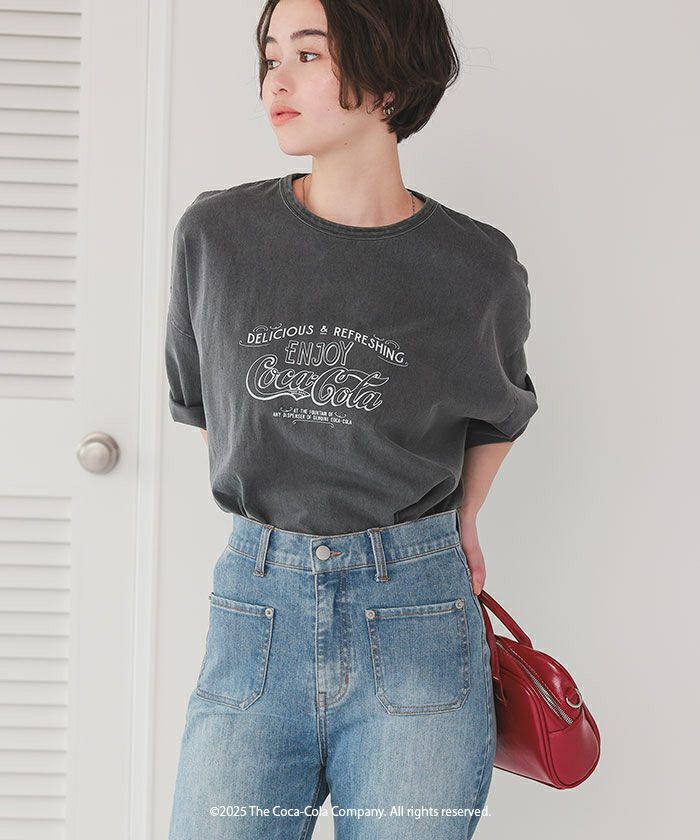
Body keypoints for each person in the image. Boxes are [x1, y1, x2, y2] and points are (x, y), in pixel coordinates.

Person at [165, 1, 538, 838]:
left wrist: (464, 517)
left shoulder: (475, 264)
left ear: (390, 75)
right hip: (256, 612)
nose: (277, 80)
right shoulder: (217, 236)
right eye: (270, 57)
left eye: (308, 54)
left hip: (417, 616)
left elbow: (501, 408)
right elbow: (202, 400)